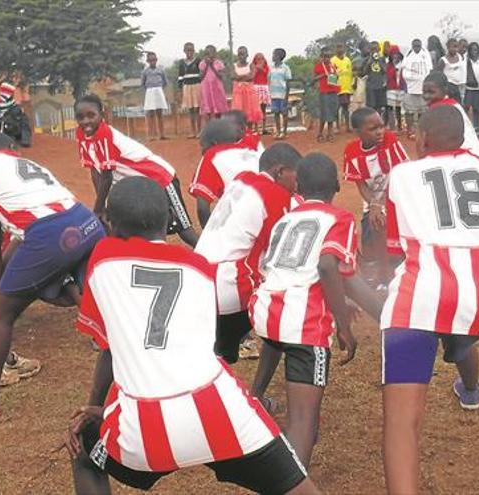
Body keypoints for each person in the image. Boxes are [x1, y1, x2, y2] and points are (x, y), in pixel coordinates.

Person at [66, 177, 317, 495]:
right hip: (222, 412)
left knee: (85, 453)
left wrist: (96, 408)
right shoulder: (200, 268)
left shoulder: (102, 258)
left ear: (110, 224)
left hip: (141, 434)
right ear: (170, 219)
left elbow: (110, 349)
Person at [382, 106, 479, 493]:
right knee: (457, 334)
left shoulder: (400, 174)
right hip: (477, 299)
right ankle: (471, 389)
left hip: (419, 297)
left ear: (423, 139)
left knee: (402, 423)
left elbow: (394, 247)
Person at [249, 153, 382, 468]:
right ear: (337, 184)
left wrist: (344, 304)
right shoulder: (339, 219)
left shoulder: (287, 217)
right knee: (304, 422)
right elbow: (327, 266)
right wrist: (343, 326)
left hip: (267, 312)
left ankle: (256, 398)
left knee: (303, 412)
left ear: (299, 185)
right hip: (302, 323)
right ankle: (291, 481)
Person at [0, 133, 105, 418]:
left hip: (50, 232)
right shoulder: (22, 164)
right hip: (85, 222)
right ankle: (120, 351)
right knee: (74, 289)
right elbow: (21, 232)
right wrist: (1, 277)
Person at [195, 143, 301, 365]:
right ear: (280, 172)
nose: (297, 184)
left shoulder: (242, 179)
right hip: (229, 281)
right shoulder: (275, 194)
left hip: (199, 276)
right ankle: (257, 389)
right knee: (285, 310)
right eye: (295, 176)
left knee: (215, 349)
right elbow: (279, 250)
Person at [74, 94, 198, 247]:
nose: (86, 121)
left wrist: (98, 210)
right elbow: (95, 170)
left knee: (184, 230)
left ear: (102, 115)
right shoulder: (82, 135)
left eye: (91, 115)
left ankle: (210, 259)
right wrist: (102, 207)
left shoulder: (104, 135)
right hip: (138, 186)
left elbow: (106, 177)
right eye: (80, 117)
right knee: (127, 228)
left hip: (161, 178)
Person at [343, 107, 409, 290]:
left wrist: (380, 205)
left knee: (388, 229)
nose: (380, 131)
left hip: (398, 196)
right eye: (373, 129)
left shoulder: (390, 141)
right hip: (373, 201)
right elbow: (361, 184)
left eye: (381, 126)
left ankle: (393, 272)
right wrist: (374, 205)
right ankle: (381, 270)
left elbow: (400, 174)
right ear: (358, 132)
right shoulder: (351, 151)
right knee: (371, 237)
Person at [188, 119, 261, 228]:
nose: (202, 150)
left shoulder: (212, 155)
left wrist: (209, 237)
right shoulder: (251, 147)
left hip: (247, 222)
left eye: (203, 145)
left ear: (214, 144)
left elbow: (202, 208)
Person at [422, 71, 479, 169]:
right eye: (424, 92)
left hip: (472, 161)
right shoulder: (451, 105)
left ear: (444, 90)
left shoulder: (442, 111)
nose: (426, 96)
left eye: (431, 92)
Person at [401, 38, 432, 139]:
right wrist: (413, 78)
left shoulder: (426, 56)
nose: (417, 48)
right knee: (409, 112)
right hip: (410, 88)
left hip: (423, 89)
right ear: (412, 46)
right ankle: (410, 130)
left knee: (422, 111)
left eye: (418, 46)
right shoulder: (408, 56)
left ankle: (420, 130)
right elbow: (404, 70)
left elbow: (429, 70)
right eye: (415, 46)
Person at [0, 81, 32, 147]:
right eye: (11, 93)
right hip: (3, 124)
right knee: (10, 117)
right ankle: (9, 139)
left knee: (23, 118)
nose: (12, 95)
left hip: (13, 123)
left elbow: (17, 112)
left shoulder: (12, 102)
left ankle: (25, 139)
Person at [231, 46, 261, 129]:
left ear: (247, 55)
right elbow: (233, 76)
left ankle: (249, 131)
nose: (241, 56)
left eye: (243, 54)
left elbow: (251, 77)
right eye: (239, 54)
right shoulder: (234, 65)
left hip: (249, 93)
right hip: (238, 93)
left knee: (249, 111)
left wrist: (240, 77)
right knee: (239, 112)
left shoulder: (251, 65)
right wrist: (245, 77)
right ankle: (240, 132)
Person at [141, 52, 169, 141]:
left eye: (154, 60)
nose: (153, 62)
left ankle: (162, 134)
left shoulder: (161, 70)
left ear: (156, 60)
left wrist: (159, 89)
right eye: (151, 60)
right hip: (149, 92)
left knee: (159, 113)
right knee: (150, 114)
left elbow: (165, 82)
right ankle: (151, 135)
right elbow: (143, 83)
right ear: (148, 61)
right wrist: (149, 90)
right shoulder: (145, 72)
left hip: (159, 91)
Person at [314, 46, 339, 142]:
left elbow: (336, 78)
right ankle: (320, 133)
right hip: (324, 93)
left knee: (332, 113)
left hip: (333, 91)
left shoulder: (333, 66)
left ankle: (330, 133)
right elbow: (314, 78)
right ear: (321, 57)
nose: (327, 59)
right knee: (324, 114)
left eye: (328, 57)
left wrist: (335, 75)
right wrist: (324, 75)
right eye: (325, 57)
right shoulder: (319, 66)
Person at [177, 42, 202, 138]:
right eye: (187, 50)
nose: (189, 52)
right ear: (184, 51)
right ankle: (193, 131)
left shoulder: (198, 61)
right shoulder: (182, 63)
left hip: (197, 86)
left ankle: (199, 131)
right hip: (187, 87)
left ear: (194, 50)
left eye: (191, 50)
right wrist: (180, 89)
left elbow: (201, 74)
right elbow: (180, 77)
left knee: (197, 109)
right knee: (191, 109)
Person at [268, 47, 293, 139]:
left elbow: (288, 83)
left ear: (279, 56)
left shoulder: (286, 68)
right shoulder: (271, 68)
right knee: (276, 113)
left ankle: (284, 132)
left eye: (274, 54)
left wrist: (286, 96)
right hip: (274, 94)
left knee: (284, 113)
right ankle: (278, 131)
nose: (272, 56)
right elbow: (269, 79)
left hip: (282, 94)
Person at [199, 45, 228, 121]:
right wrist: (207, 66)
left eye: (211, 53)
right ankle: (209, 127)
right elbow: (201, 77)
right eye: (207, 54)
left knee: (218, 107)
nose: (209, 56)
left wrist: (212, 66)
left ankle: (219, 126)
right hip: (206, 88)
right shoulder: (202, 64)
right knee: (207, 108)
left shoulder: (219, 63)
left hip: (217, 88)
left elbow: (221, 76)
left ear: (215, 54)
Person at [463, 42, 479, 134]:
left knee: (478, 109)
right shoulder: (467, 62)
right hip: (468, 88)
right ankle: (467, 128)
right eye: (472, 49)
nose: (474, 52)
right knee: (467, 108)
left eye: (476, 49)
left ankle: (477, 127)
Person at [331, 43, 354, 133]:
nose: (340, 49)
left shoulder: (348, 60)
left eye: (341, 47)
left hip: (347, 88)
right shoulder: (333, 60)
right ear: (335, 49)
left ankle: (348, 126)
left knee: (346, 108)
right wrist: (332, 87)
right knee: (336, 108)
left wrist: (351, 87)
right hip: (337, 88)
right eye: (338, 47)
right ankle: (337, 127)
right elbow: (331, 75)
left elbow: (351, 73)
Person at [361, 41, 387, 115]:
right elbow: (363, 73)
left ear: (379, 49)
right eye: (372, 49)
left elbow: (385, 71)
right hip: (370, 87)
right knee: (371, 106)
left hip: (380, 86)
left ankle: (378, 121)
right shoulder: (366, 59)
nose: (374, 51)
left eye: (376, 49)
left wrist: (379, 61)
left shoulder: (382, 59)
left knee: (379, 106)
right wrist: (369, 62)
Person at [252, 52, 271, 135]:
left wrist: (261, 68)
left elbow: (266, 74)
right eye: (258, 59)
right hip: (256, 87)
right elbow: (252, 76)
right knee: (256, 109)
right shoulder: (252, 67)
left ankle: (264, 128)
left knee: (263, 109)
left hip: (263, 88)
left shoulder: (266, 67)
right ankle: (256, 128)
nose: (260, 61)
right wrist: (256, 69)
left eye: (261, 59)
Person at [385, 50, 404, 131]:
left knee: (398, 108)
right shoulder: (389, 66)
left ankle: (399, 126)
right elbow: (388, 76)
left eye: (397, 56)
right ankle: (392, 126)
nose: (395, 57)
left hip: (400, 89)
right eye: (394, 56)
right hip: (391, 88)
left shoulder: (403, 65)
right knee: (390, 108)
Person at [350, 40, 370, 112]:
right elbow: (354, 73)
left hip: (370, 84)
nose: (368, 49)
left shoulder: (373, 59)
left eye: (369, 47)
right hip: (359, 83)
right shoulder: (356, 60)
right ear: (361, 49)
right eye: (366, 47)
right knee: (358, 105)